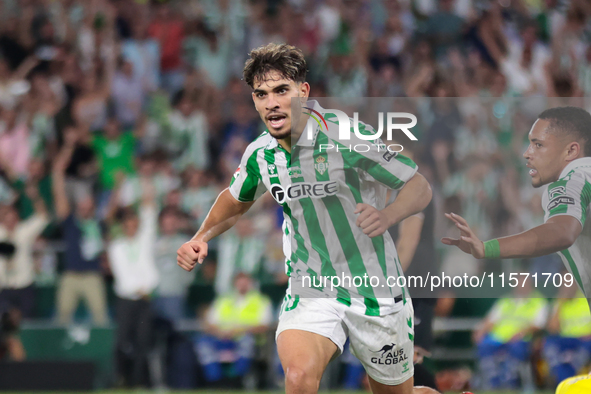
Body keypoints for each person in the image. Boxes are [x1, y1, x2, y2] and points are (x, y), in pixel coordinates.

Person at [177, 43, 433, 394]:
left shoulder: (344, 135)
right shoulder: (260, 155)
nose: (272, 103)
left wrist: (388, 215)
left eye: (281, 90)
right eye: (261, 94)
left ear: (303, 91)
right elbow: (235, 201)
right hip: (312, 287)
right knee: (298, 378)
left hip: (375, 287)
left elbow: (419, 187)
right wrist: (201, 236)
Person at [442, 106, 591, 305]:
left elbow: (561, 232)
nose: (527, 153)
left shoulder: (574, 180)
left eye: (538, 145)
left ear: (571, 150)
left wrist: (486, 248)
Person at [195, 272, 272, 384]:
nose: (242, 285)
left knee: (246, 342)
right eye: (239, 282)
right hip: (222, 337)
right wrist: (220, 332)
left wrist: (240, 330)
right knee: (203, 343)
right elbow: (210, 323)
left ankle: (237, 379)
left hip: (247, 337)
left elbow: (264, 325)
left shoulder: (261, 301)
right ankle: (214, 380)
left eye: (245, 282)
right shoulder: (224, 300)